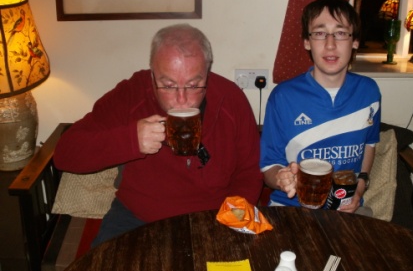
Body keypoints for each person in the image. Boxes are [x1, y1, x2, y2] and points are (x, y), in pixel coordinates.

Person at [54, 24, 263, 245]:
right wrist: (131, 140)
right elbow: (65, 154)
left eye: (194, 85)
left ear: (207, 73)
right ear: (152, 74)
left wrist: (231, 218)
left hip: (213, 217)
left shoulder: (230, 99)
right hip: (135, 218)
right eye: (169, 85)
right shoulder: (131, 95)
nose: (182, 100)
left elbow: (249, 171)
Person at [260, 0, 381, 213]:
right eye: (319, 33)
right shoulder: (282, 96)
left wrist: (360, 188)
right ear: (307, 41)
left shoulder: (369, 91)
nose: (330, 44)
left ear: (355, 41)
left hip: (347, 210)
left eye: (341, 33)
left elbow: (369, 145)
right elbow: (269, 167)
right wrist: (281, 178)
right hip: (291, 208)